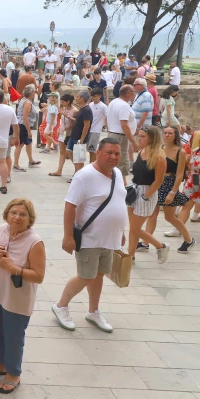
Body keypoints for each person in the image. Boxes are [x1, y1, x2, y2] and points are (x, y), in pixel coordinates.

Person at [53, 138, 127, 332]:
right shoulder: (84, 176)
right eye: (109, 152)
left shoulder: (118, 173)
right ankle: (60, 305)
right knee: (86, 276)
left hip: (109, 238)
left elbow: (119, 202)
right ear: (98, 152)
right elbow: (70, 206)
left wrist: (121, 231)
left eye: (117, 153)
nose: (113, 157)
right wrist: (67, 236)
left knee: (99, 274)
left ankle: (93, 311)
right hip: (89, 237)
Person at [0, 198, 45, 394]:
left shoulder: (35, 242)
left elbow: (39, 276)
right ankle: (0, 363)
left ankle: (14, 373)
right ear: (7, 214)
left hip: (17, 299)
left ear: (30, 219)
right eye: (13, 212)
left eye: (23, 214)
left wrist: (14, 269)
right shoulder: (1, 230)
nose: (17, 217)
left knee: (14, 336)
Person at [144, 126, 193, 250]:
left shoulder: (180, 152)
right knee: (152, 214)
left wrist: (173, 192)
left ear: (175, 135)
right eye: (165, 133)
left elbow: (180, 174)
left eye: (170, 133)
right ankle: (145, 242)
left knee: (169, 217)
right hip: (157, 182)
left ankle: (189, 240)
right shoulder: (159, 149)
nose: (166, 135)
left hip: (170, 183)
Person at [126, 126, 170, 260]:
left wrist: (146, 195)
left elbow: (159, 180)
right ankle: (130, 255)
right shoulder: (141, 151)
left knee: (134, 228)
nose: (140, 138)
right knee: (133, 227)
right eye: (139, 136)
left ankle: (161, 246)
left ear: (152, 138)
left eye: (143, 136)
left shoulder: (159, 156)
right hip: (135, 189)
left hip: (147, 192)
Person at [178, 129, 200, 232]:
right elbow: (191, 166)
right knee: (185, 206)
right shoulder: (196, 150)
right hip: (192, 183)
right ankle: (178, 229)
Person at [106, 85, 137, 183]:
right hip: (120, 136)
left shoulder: (113, 102)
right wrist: (133, 142)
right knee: (121, 160)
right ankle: (121, 183)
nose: (134, 95)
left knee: (116, 160)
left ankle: (122, 182)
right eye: (133, 92)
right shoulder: (123, 106)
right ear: (128, 93)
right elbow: (124, 125)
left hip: (113, 133)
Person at [12, 84, 41, 172]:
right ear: (31, 93)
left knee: (28, 143)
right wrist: (29, 131)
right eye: (34, 91)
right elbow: (25, 117)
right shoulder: (27, 103)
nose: (35, 93)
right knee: (20, 145)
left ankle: (31, 160)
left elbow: (18, 112)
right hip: (23, 125)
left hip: (22, 124)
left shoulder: (23, 100)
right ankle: (16, 164)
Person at [86, 88, 108, 162]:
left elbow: (107, 117)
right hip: (88, 129)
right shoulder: (90, 105)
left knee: (92, 150)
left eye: (94, 96)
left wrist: (106, 127)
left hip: (96, 131)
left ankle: (92, 165)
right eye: (92, 96)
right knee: (88, 150)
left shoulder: (103, 106)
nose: (93, 98)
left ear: (99, 96)